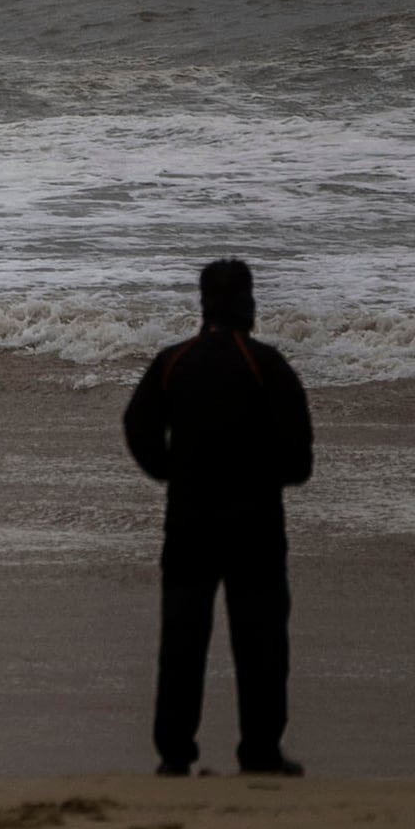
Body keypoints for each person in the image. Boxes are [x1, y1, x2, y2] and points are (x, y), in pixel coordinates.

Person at [125, 255, 315, 775]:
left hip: (188, 525)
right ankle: (259, 752)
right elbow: (300, 456)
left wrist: (170, 471)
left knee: (182, 642)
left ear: (204, 304)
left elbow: (137, 427)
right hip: (255, 527)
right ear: (250, 306)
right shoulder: (266, 365)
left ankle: (174, 755)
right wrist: (266, 476)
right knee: (261, 645)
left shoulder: (173, 362)